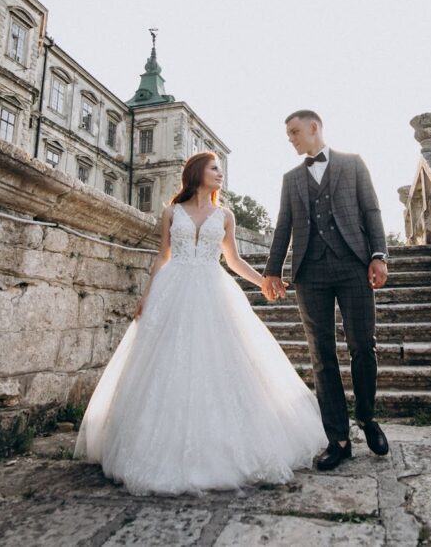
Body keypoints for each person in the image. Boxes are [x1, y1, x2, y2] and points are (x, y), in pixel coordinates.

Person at [74, 152, 327, 495]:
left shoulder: (225, 215)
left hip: (212, 288)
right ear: (197, 173)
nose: (220, 174)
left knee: (219, 363)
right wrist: (147, 296)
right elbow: (163, 256)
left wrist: (264, 281)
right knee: (163, 364)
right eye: (214, 168)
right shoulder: (170, 212)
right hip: (172, 289)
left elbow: (233, 260)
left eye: (220, 169)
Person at [261, 110, 390, 471]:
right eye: (288, 135)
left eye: (295, 131)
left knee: (363, 346)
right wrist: (272, 271)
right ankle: (339, 438)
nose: (291, 139)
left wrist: (378, 255)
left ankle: (366, 417)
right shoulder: (291, 179)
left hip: (353, 264)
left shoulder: (353, 164)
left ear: (314, 127)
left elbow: (372, 210)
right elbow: (283, 226)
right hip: (309, 272)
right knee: (322, 355)